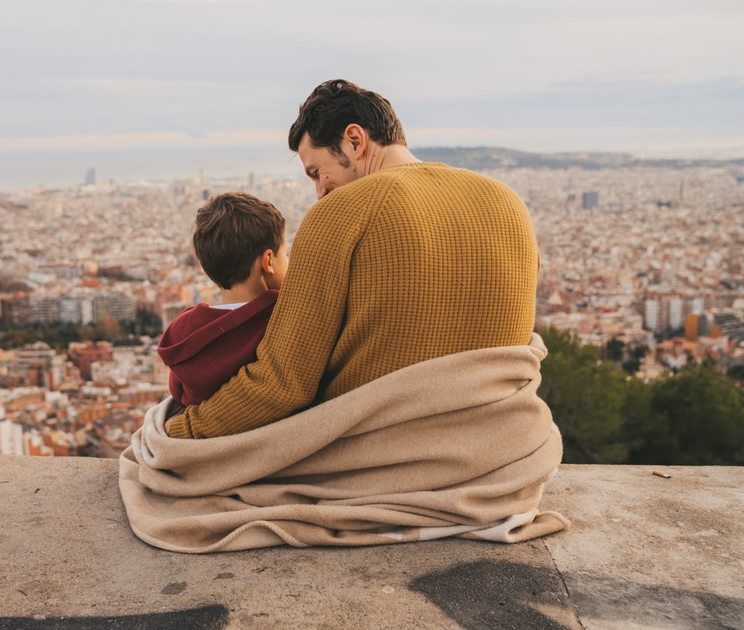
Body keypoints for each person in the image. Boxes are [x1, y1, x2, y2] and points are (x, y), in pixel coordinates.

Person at [165, 79, 540, 438]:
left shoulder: (340, 213)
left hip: (381, 447)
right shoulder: (508, 202)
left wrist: (184, 429)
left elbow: (282, 383)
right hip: (494, 438)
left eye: (317, 172)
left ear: (355, 140)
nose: (319, 192)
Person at [158, 191, 289, 409]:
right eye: (285, 254)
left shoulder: (184, 333)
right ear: (268, 261)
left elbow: (178, 392)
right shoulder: (281, 320)